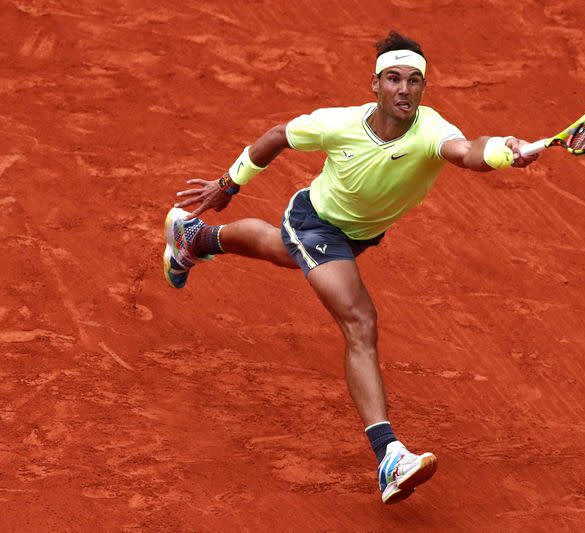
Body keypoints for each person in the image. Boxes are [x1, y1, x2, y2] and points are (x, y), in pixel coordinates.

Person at [162, 30, 538, 504]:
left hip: (356, 235)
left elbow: (467, 151)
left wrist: (506, 149)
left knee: (281, 251)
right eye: (394, 79)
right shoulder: (338, 123)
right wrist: (227, 184)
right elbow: (279, 135)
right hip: (316, 223)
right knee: (360, 322)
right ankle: (389, 456)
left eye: (415, 81)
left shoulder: (431, 129)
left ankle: (194, 239)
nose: (405, 89)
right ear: (375, 85)